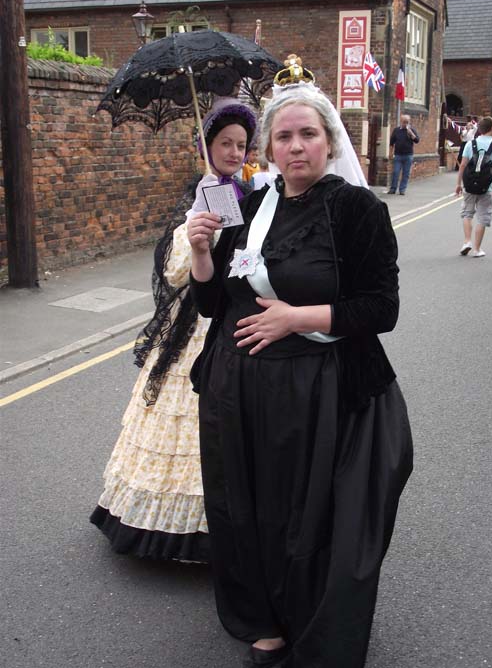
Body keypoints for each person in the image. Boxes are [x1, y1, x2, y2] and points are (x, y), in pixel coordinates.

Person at [187, 65, 413, 668]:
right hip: (238, 394)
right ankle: (262, 622)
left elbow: (381, 307)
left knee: (304, 518)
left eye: (307, 134)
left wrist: (296, 316)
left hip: (317, 395)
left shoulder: (357, 209)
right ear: (269, 149)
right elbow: (214, 305)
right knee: (246, 509)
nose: (295, 147)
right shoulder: (250, 205)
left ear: (329, 140)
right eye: (283, 137)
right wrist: (203, 254)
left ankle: (309, 621)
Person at [89, 98, 257, 561]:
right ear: (207, 146)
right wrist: (197, 234)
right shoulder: (202, 193)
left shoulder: (247, 191)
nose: (234, 151)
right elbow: (174, 269)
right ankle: (173, 528)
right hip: (196, 323)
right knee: (184, 418)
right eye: (225, 143)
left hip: (231, 316)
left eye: (241, 144)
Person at [455, 116, 492, 258]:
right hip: (486, 186)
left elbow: (463, 165)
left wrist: (458, 184)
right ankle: (477, 249)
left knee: (467, 213)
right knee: (483, 216)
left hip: (469, 185)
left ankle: (467, 241)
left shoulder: (471, 144)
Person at [388, 114, 420, 195]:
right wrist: (390, 153)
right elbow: (391, 142)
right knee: (395, 172)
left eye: (407, 122)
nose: (405, 123)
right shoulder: (396, 130)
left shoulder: (411, 130)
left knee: (406, 173)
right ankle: (393, 188)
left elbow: (417, 140)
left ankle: (402, 189)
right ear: (401, 121)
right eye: (404, 122)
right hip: (398, 155)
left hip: (408, 155)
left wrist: (411, 133)